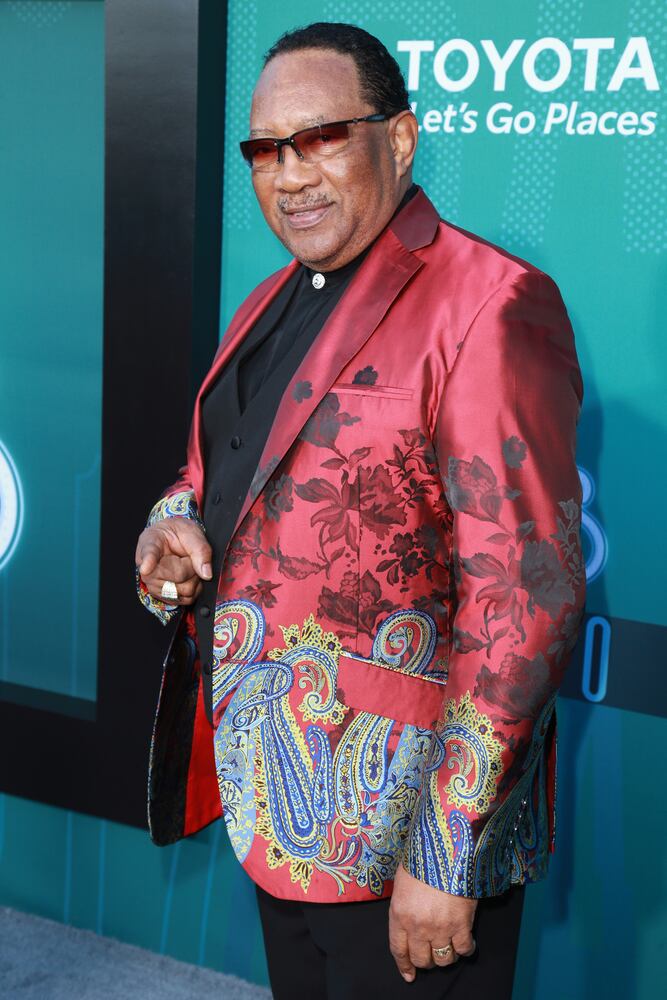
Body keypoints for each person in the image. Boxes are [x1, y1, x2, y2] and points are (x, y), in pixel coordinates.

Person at [134, 21, 585, 1000]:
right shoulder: (269, 299)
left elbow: (525, 598)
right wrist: (172, 521)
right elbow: (222, 473)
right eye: (267, 149)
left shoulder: (488, 304)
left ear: (401, 139)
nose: (291, 174)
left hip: (404, 836)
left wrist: (447, 850)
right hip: (275, 800)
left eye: (323, 138)